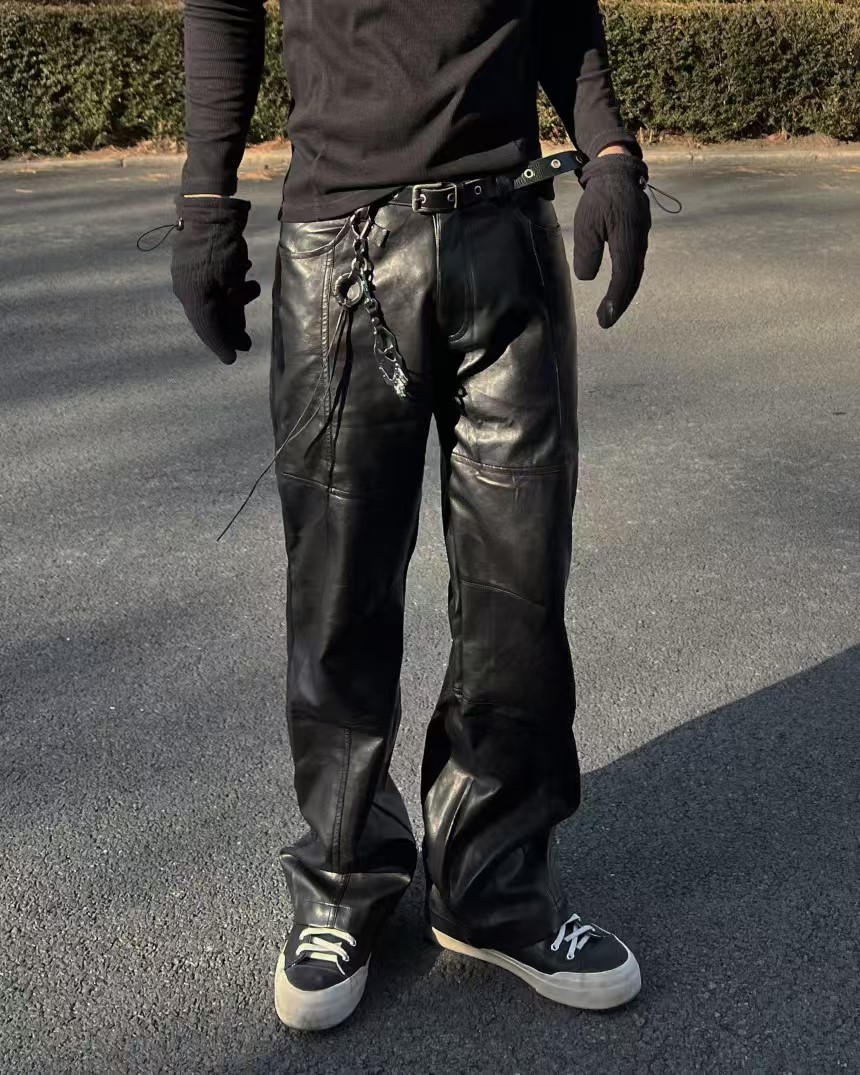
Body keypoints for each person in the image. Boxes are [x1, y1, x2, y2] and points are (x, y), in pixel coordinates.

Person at [170, 0, 652, 1032]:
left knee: (519, 592)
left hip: (508, 240)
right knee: (339, 592)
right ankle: (344, 873)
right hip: (340, 250)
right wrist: (205, 201)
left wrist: (609, 149)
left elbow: (562, 4)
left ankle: (493, 880)